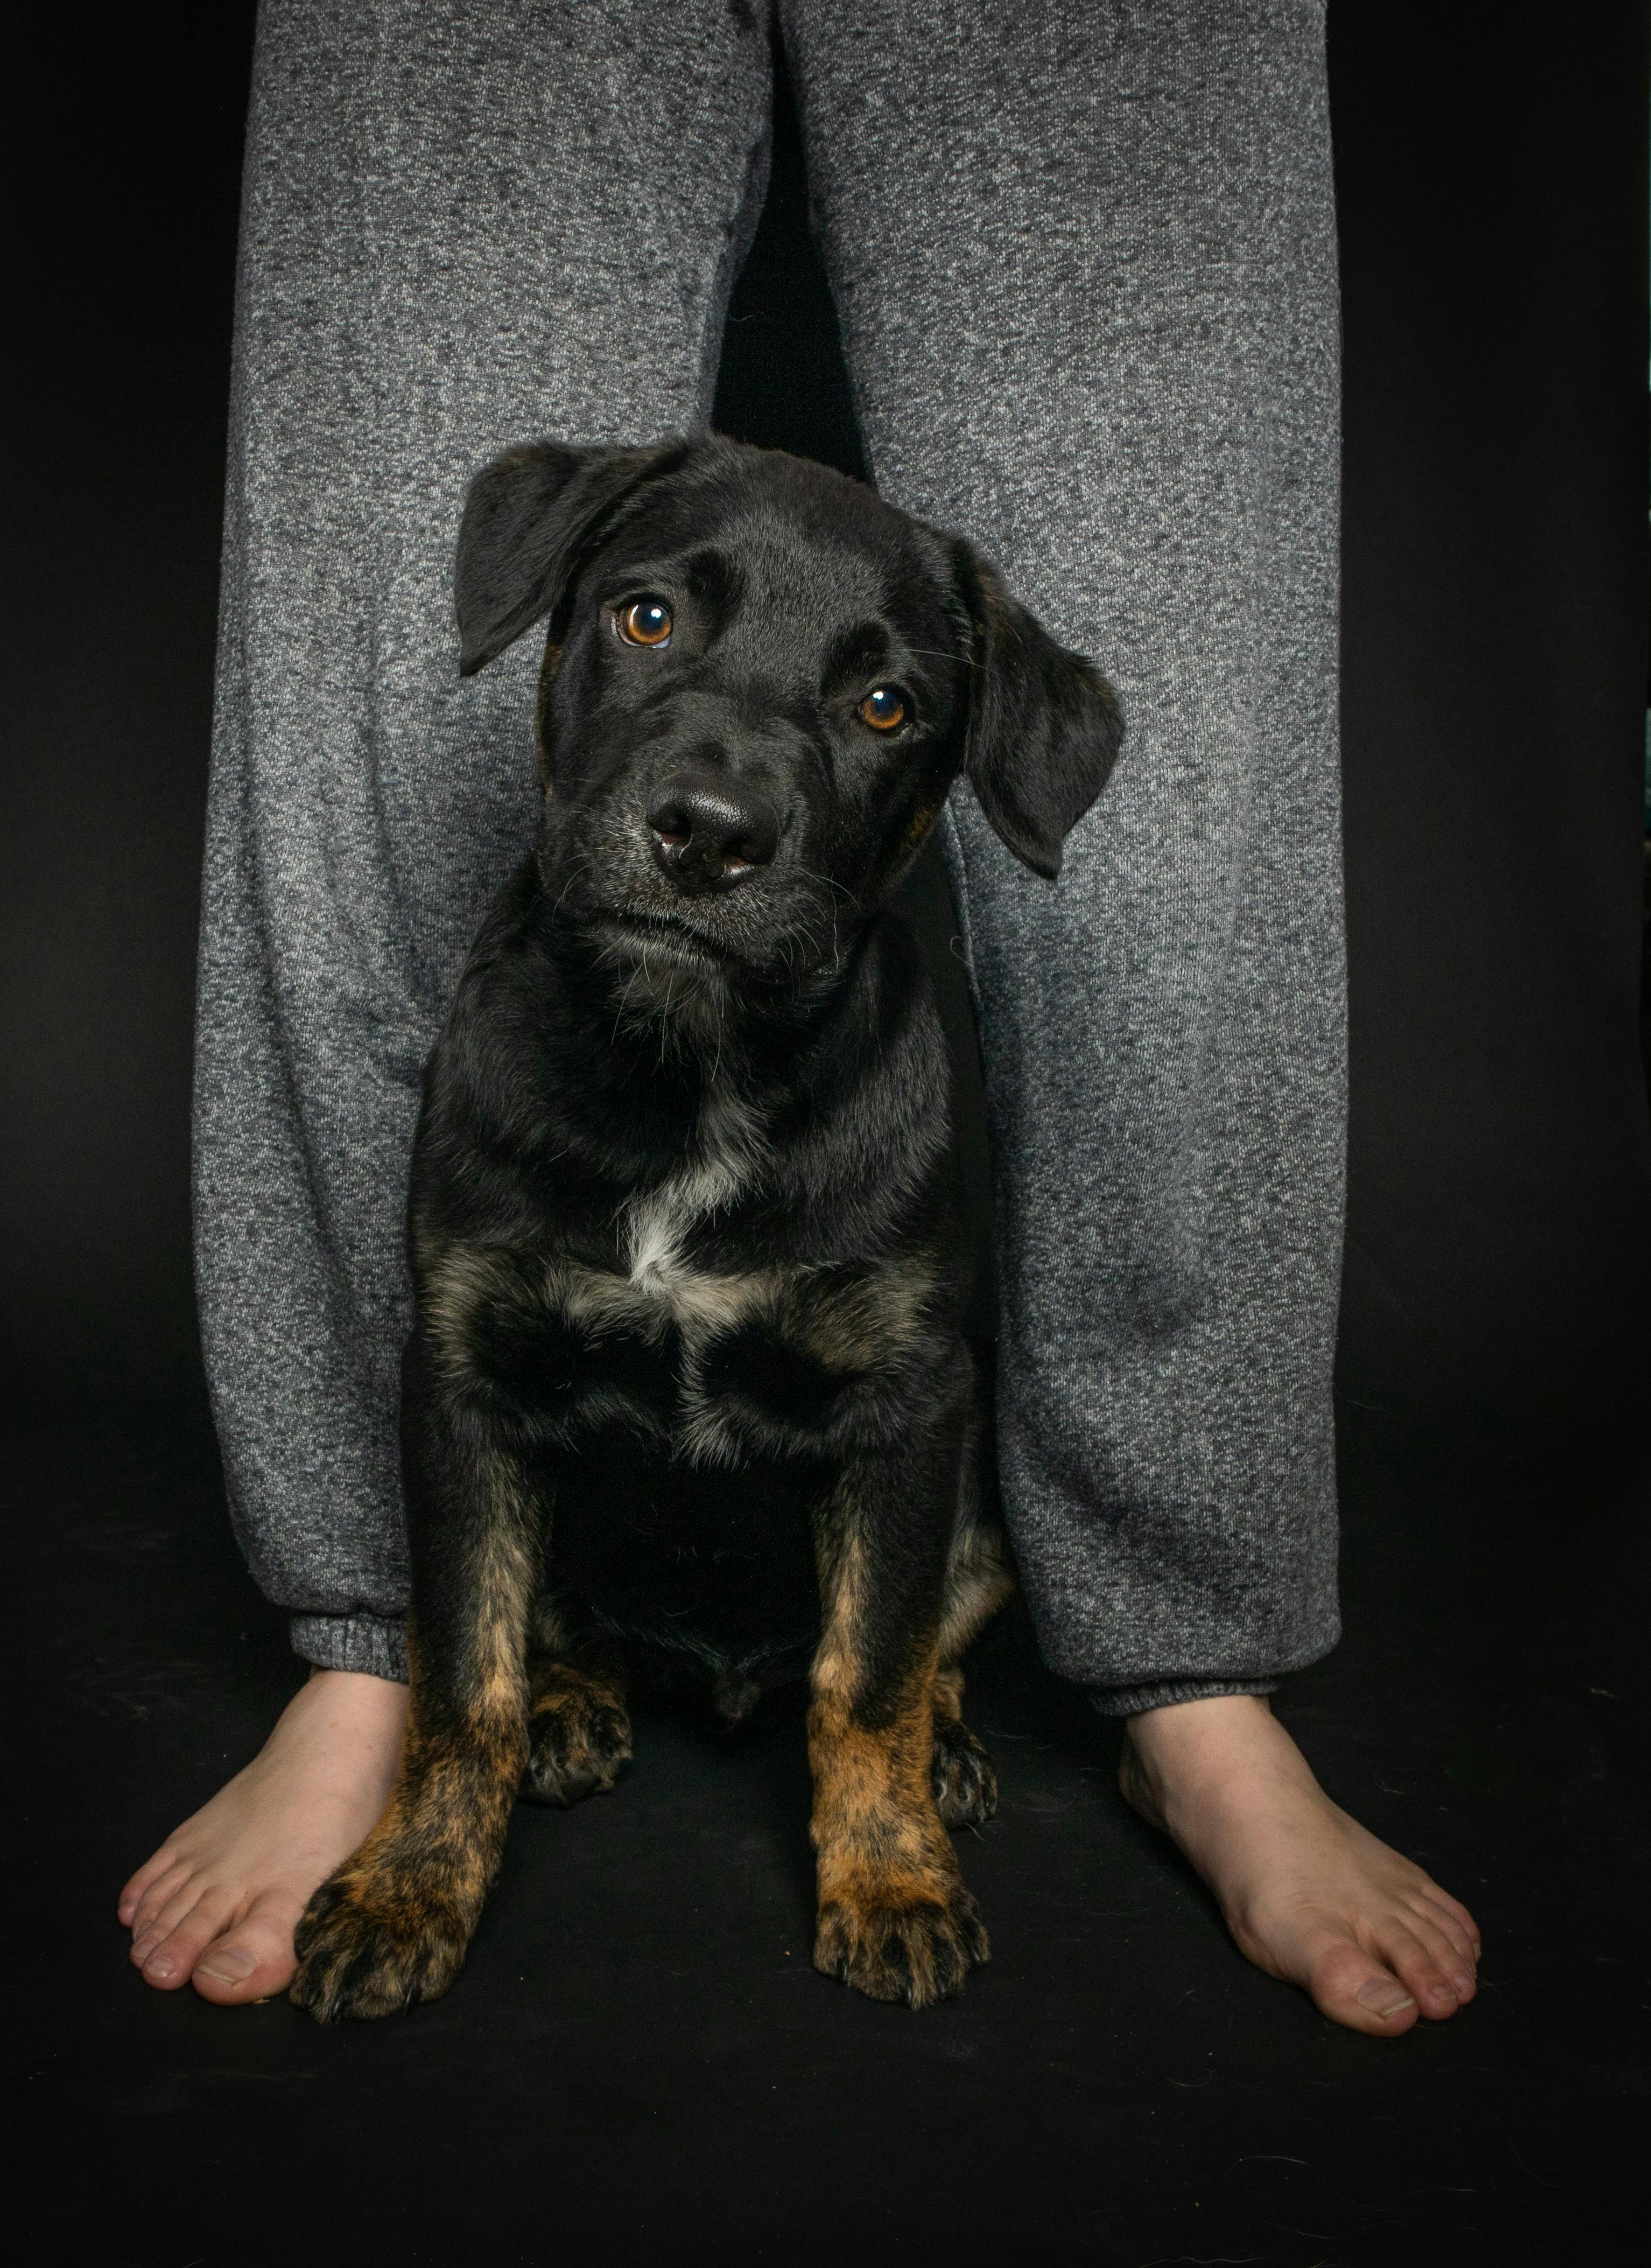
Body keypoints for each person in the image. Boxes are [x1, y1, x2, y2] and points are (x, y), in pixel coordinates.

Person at [118, 0, 1481, 2037]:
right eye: (646, 617)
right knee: (375, 662)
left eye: (869, 710)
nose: (718, 777)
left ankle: (1188, 1667)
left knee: (1178, 734)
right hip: (543, 1244)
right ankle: (380, 1647)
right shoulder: (567, 571)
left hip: (843, 1244)